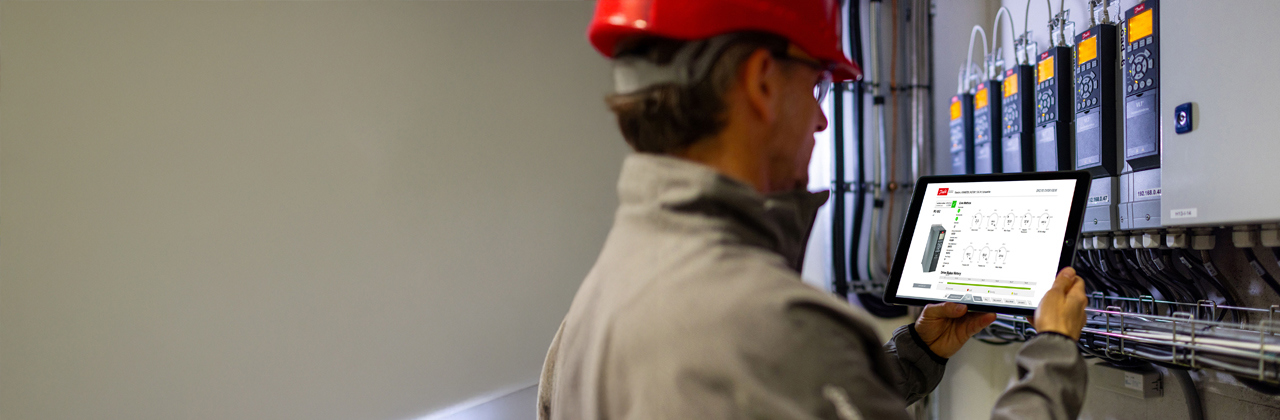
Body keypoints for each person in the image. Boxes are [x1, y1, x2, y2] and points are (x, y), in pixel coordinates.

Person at [538, 1, 1089, 419]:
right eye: (820, 85)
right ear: (761, 83)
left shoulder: (589, 313)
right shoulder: (777, 325)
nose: (822, 122)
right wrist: (1054, 355)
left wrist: (918, 352)